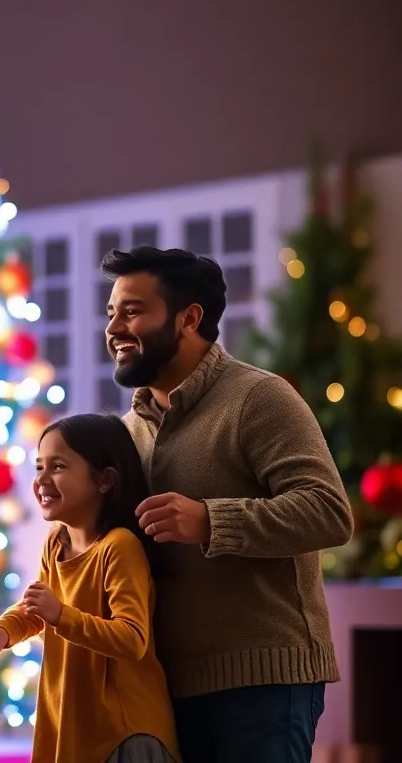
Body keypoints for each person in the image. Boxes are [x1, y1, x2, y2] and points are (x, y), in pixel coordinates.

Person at [102, 246, 354, 763]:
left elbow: (328, 511)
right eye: (111, 314)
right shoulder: (127, 432)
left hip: (264, 687)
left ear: (189, 318)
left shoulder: (258, 399)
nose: (114, 328)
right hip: (165, 688)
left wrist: (210, 520)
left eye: (132, 311)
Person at [0, 414, 179, 763]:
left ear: (105, 480)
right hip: (76, 723)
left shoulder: (119, 546)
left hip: (122, 732)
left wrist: (61, 615)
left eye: (58, 466)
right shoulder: (57, 543)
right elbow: (38, 608)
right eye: (39, 466)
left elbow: (132, 639)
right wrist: (4, 629)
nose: (41, 480)